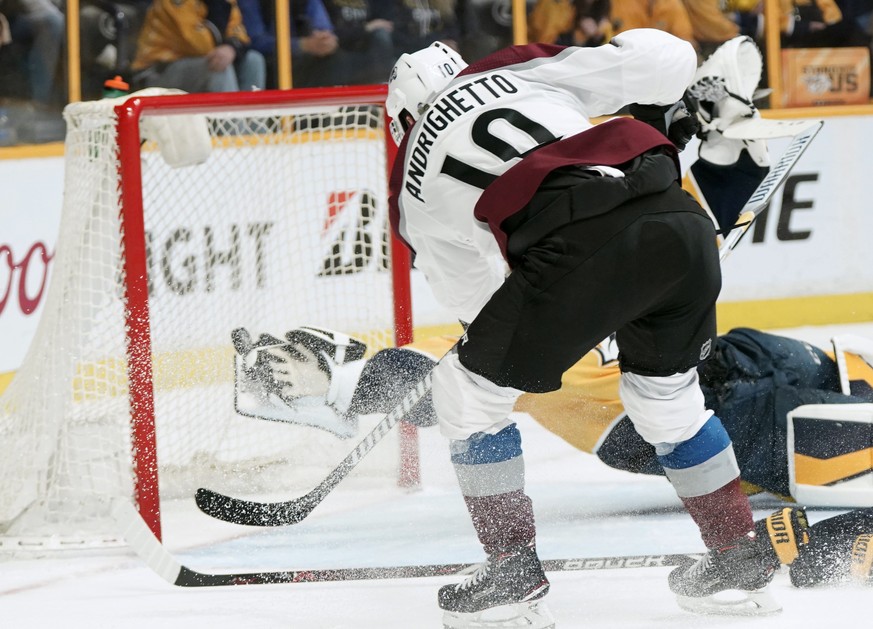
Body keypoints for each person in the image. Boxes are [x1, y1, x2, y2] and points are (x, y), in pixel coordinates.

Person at [378, 29, 786, 625]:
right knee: (667, 398)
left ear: (402, 117)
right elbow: (665, 59)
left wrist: (570, 313)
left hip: (573, 246)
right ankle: (737, 560)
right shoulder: (510, 70)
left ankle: (511, 572)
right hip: (677, 217)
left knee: (468, 397)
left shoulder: (411, 180)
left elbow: (476, 299)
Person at [131, 0, 266, 93]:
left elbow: (241, 35)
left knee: (254, 60)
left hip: (196, 65)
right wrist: (228, 48)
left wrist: (231, 48)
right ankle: (232, 134)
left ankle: (253, 133)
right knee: (218, 67)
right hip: (157, 71)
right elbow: (199, 45)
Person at [238, 0, 348, 88]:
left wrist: (325, 39)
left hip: (306, 55)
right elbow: (254, 40)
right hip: (271, 61)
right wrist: (302, 45)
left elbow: (323, 26)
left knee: (336, 57)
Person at [0, 0, 65, 105]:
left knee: (54, 23)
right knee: (53, 23)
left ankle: (37, 103)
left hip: (14, 18)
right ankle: (37, 101)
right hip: (10, 17)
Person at [321, 0, 396, 85]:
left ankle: (383, 86)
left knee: (381, 36)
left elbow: (385, 23)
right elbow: (330, 34)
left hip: (364, 49)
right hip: (339, 49)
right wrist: (366, 28)